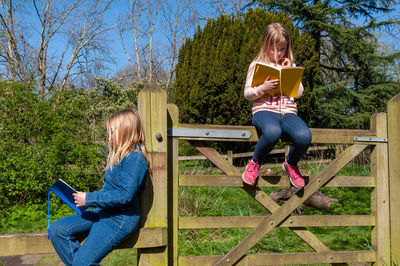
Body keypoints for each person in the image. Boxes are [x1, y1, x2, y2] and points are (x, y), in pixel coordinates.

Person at [48, 109, 149, 265]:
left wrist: (89, 198)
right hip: (105, 212)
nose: (109, 137)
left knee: (81, 263)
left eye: (112, 132)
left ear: (125, 130)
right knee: (58, 230)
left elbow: (125, 195)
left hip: (120, 218)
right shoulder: (120, 156)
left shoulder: (135, 158)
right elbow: (110, 191)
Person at [242, 22, 312, 187]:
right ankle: (254, 164)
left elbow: (299, 93)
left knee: (304, 136)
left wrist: (290, 71)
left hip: (288, 113)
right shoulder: (256, 65)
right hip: (264, 111)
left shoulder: (289, 64)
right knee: (273, 132)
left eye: (282, 49)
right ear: (265, 45)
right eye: (273, 49)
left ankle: (291, 163)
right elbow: (247, 94)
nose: (278, 54)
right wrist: (262, 88)